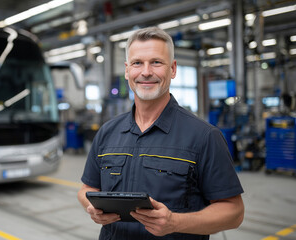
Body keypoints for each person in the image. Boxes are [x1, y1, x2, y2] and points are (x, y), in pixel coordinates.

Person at [77, 26, 244, 240]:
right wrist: (92, 207)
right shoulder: (107, 133)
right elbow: (87, 189)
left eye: (156, 62)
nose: (146, 72)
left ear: (173, 69)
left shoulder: (204, 136)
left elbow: (234, 212)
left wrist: (175, 222)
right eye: (138, 63)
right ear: (127, 70)